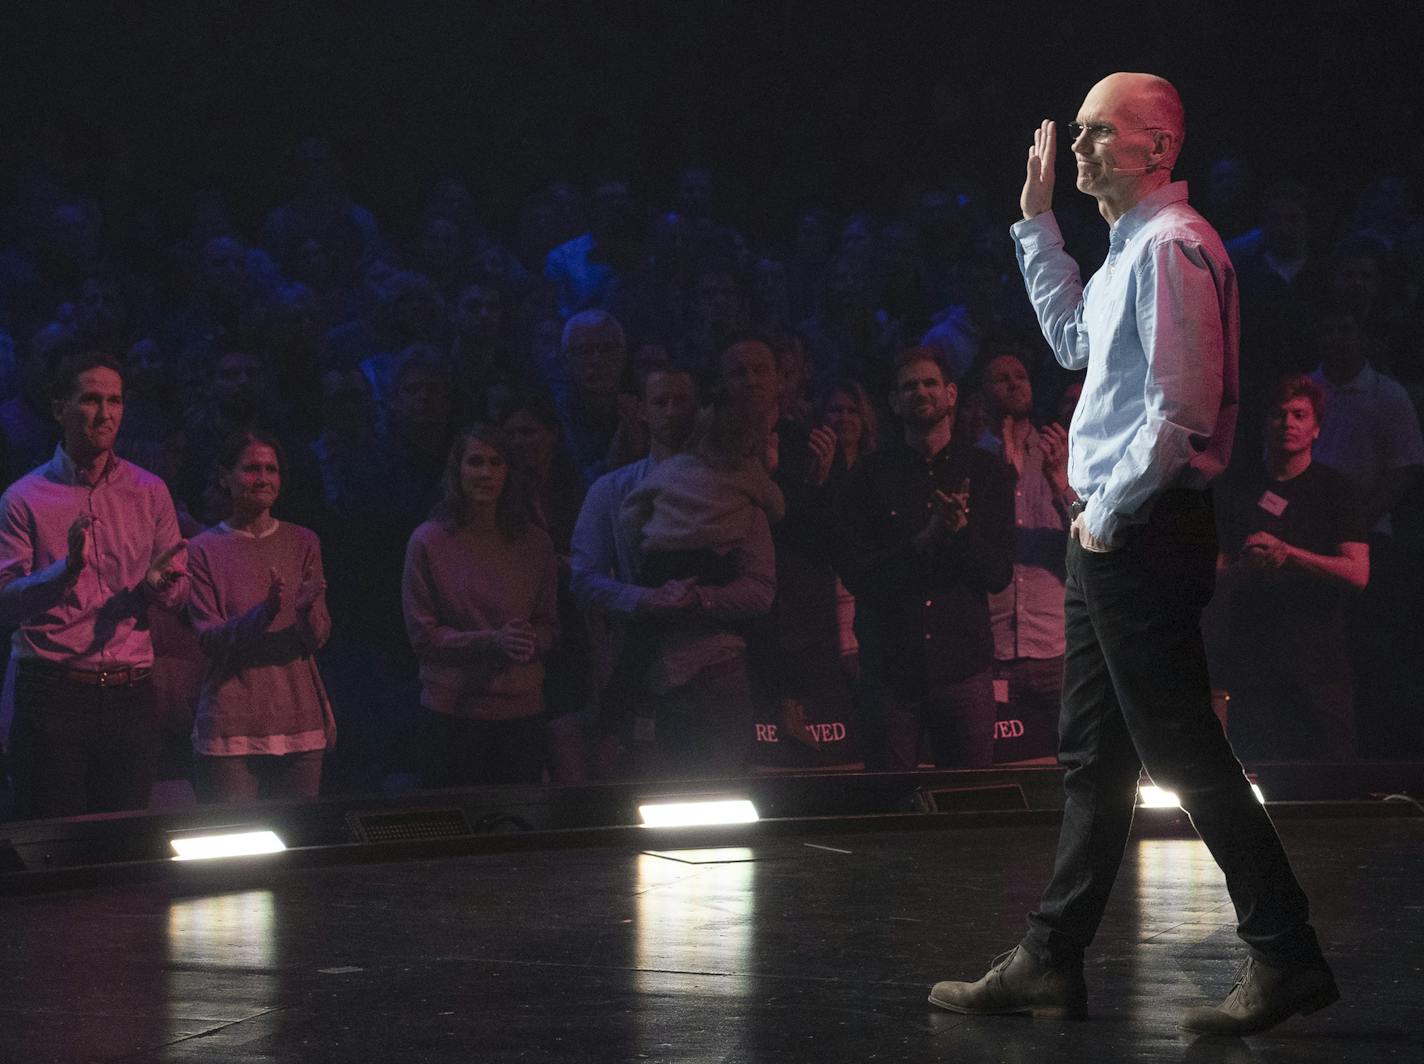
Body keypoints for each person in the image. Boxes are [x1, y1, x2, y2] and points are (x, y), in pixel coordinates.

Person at [929, 73, 1337, 1036]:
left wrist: (1107, 512)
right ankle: (1051, 956)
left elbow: (1183, 410)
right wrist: (1037, 225)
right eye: (1076, 133)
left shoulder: (1173, 249)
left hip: (1138, 529)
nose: (1078, 151)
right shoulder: (1130, 253)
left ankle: (1285, 953)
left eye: (1099, 133)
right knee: (1095, 759)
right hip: (1116, 529)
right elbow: (1074, 342)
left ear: (1159, 149)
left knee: (1180, 750)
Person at [0, 351, 188, 818]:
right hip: (55, 692)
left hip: (131, 692)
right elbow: (6, 604)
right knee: (54, 844)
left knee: (125, 847)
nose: (105, 414)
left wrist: (157, 587)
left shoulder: (149, 491)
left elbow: (178, 591)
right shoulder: (24, 498)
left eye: (115, 401)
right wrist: (63, 573)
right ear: (59, 407)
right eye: (90, 400)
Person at [836, 347, 1014, 770]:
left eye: (930, 383)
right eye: (909, 386)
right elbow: (858, 574)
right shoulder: (868, 476)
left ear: (951, 395)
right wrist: (925, 540)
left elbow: (998, 574)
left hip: (963, 669)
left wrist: (960, 533)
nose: (921, 392)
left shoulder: (987, 471)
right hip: (890, 671)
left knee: (969, 805)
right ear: (894, 402)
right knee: (889, 808)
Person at [1216, 375, 1368, 761]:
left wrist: (1289, 553)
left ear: (1316, 428)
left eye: (1299, 415)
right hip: (1253, 661)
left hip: (1318, 662)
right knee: (1256, 770)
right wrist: (1245, 566)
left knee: (1328, 772)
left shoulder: (1337, 490)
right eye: (1279, 414)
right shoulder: (1238, 489)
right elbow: (1214, 576)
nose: (1288, 423)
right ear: (1265, 422)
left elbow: (1357, 572)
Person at [401, 425, 558, 787]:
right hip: (452, 714)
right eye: (475, 462)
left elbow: (550, 624)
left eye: (495, 462)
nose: (485, 473)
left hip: (521, 713)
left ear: (508, 472)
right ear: (458, 471)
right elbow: (422, 636)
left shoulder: (536, 543)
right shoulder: (429, 541)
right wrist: (491, 641)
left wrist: (531, 640)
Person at [186, 431, 335, 802]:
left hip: (299, 717)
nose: (264, 478)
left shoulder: (303, 541)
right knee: (237, 846)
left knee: (300, 841)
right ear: (225, 477)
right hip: (233, 725)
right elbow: (211, 640)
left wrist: (303, 614)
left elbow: (318, 637)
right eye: (252, 468)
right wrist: (264, 613)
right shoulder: (202, 550)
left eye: (272, 469)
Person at [975, 349, 1073, 761]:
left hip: (1054, 646)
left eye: (1021, 376)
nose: (1014, 384)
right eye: (1002, 378)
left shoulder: (1062, 450)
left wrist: (1060, 484)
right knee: (1001, 768)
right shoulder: (970, 460)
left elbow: (1087, 544)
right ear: (981, 394)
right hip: (991, 649)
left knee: (1073, 763)